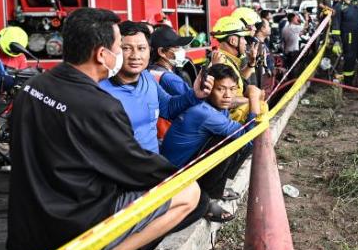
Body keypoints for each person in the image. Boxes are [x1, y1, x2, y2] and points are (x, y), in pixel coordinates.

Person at [7, 8, 201, 250]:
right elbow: (136, 168)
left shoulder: (33, 87)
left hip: (27, 227)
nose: (126, 55)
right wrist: (180, 177)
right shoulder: (100, 105)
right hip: (73, 227)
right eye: (120, 47)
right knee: (189, 193)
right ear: (102, 54)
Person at [161, 64, 263, 222]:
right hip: (174, 175)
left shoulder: (212, 104)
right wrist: (254, 100)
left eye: (232, 89)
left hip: (183, 164)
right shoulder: (204, 112)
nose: (227, 95)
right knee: (231, 142)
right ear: (208, 89)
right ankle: (205, 200)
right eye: (221, 89)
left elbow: (232, 101)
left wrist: (246, 96)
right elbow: (249, 139)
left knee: (232, 139)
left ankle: (217, 189)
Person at [100, 22, 210, 153]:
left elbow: (168, 108)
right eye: (126, 48)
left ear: (149, 51)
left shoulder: (147, 78)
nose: (135, 56)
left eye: (141, 48)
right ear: (115, 50)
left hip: (152, 167)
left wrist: (194, 94)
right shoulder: (100, 91)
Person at [211, 16, 260, 123]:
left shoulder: (227, 59)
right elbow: (225, 101)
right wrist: (253, 99)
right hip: (231, 122)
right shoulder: (222, 62)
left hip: (234, 117)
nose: (246, 42)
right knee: (262, 107)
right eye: (243, 38)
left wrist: (251, 63)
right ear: (233, 41)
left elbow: (238, 80)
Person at [149, 26, 193, 97]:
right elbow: (194, 98)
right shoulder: (170, 79)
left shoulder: (151, 70)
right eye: (177, 47)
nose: (181, 50)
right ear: (161, 52)